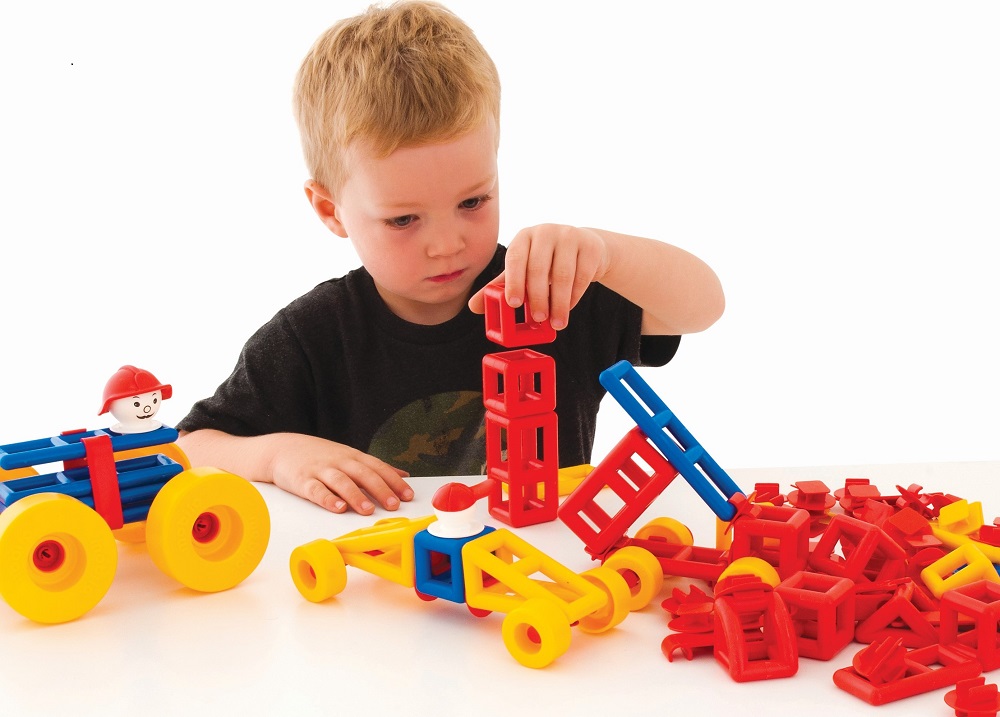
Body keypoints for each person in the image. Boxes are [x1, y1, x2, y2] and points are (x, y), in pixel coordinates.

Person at [176, 1, 725, 516]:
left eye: (473, 202)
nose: (446, 244)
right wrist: (276, 456)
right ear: (331, 209)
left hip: (546, 578)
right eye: (403, 220)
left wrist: (604, 254)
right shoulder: (312, 336)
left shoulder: (546, 288)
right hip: (382, 590)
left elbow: (701, 308)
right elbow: (190, 447)